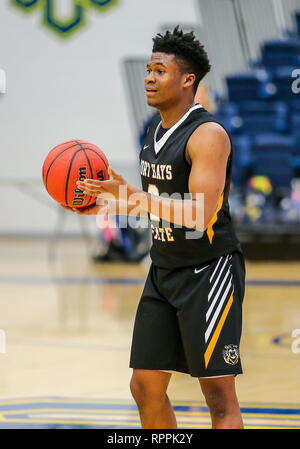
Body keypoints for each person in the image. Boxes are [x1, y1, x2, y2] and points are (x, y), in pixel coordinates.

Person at [62, 26, 245, 429]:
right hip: (163, 270)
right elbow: (157, 203)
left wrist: (135, 200)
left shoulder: (207, 135)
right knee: (144, 387)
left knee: (218, 397)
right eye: (148, 69)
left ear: (187, 80)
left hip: (207, 272)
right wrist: (112, 202)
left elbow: (199, 214)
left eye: (159, 71)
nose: (148, 77)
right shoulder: (155, 130)